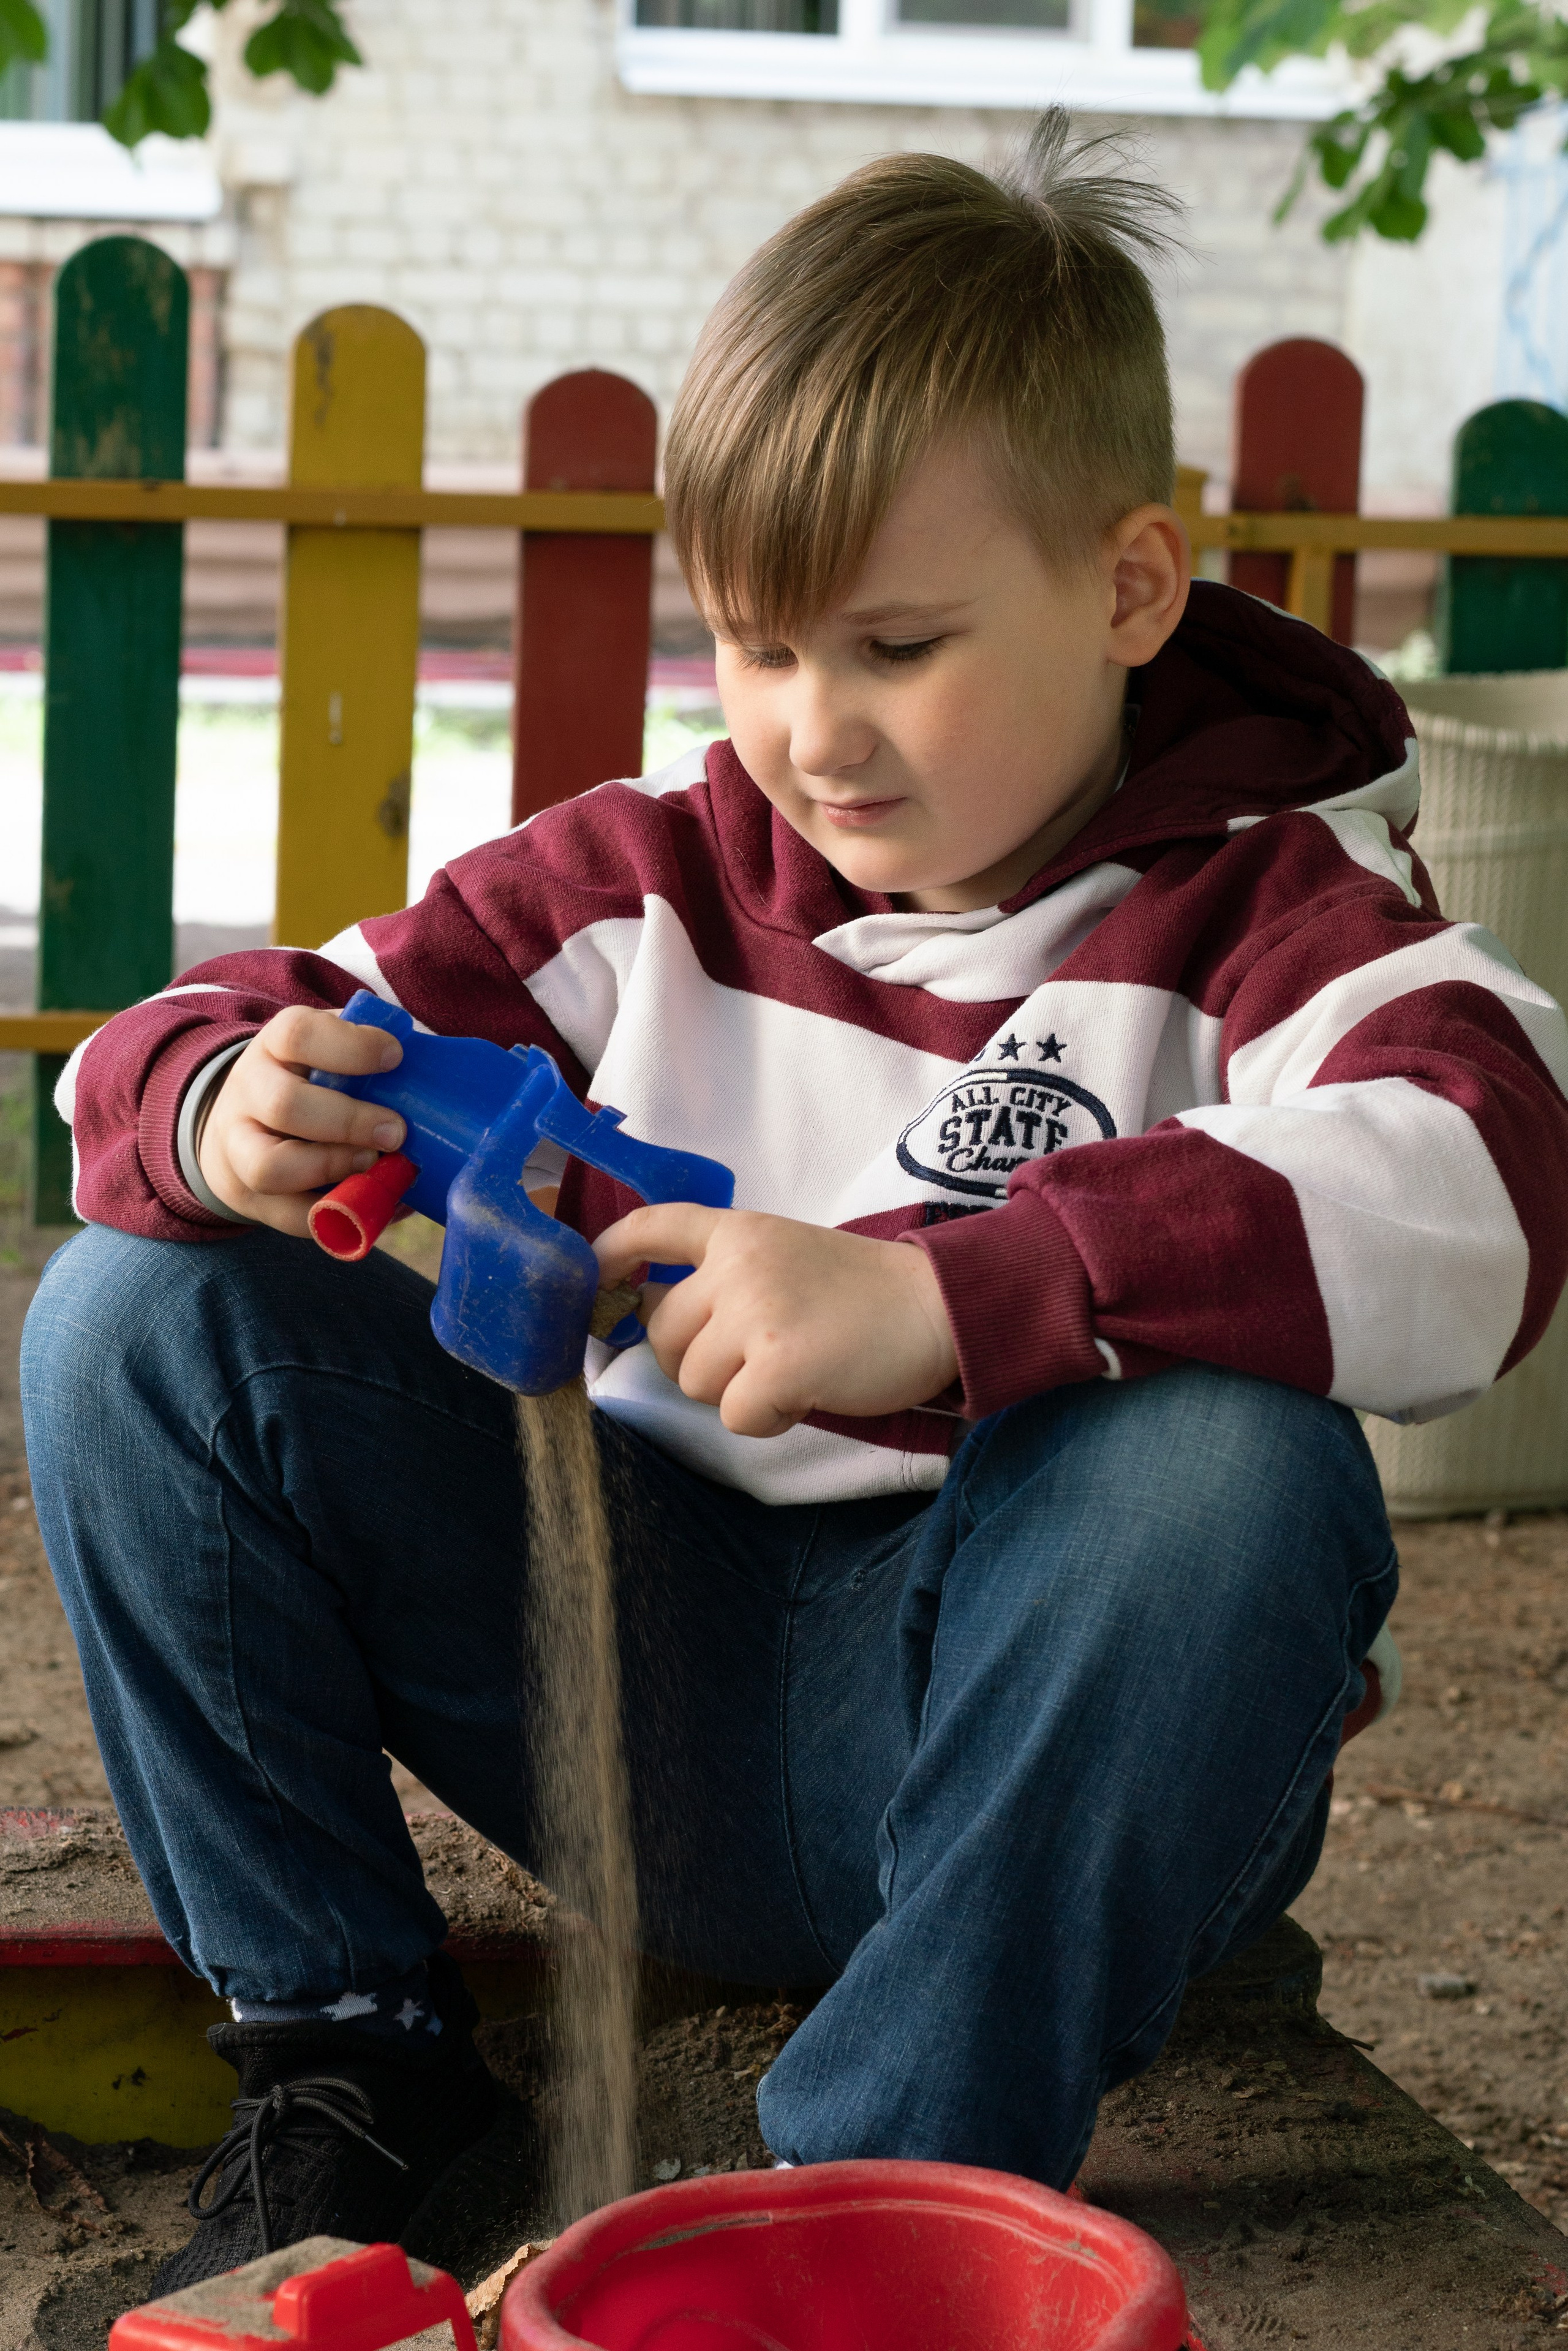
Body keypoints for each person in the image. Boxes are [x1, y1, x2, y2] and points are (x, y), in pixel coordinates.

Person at [21, 113, 1568, 2289]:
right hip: (624, 1688)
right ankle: (347, 2046)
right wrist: (224, 1105)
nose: (811, 735)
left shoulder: (1277, 916)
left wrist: (956, 1300)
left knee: (1230, 1467)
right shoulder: (642, 879)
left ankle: (877, 2184)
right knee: (128, 1312)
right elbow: (182, 1039)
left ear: (1130, 586)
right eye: (754, 646)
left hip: (1032, 1741)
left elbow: (1486, 1176)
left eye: (897, 647)